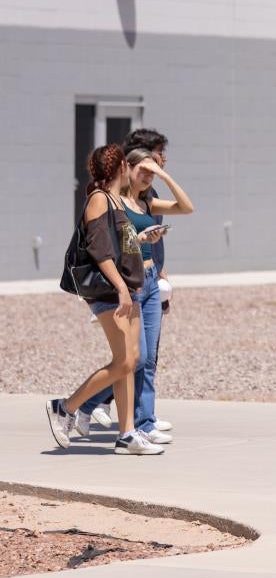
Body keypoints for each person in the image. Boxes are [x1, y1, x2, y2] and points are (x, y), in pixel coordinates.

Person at [67, 146, 196, 444]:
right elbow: (103, 249)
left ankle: (138, 424)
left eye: (154, 172)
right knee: (132, 359)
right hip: (128, 283)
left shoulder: (146, 204)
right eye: (145, 170)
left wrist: (163, 174)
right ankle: (81, 405)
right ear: (127, 167)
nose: (149, 176)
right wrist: (123, 286)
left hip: (147, 280)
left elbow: (187, 207)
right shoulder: (112, 202)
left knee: (143, 359)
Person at [46, 144, 163, 454]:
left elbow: (118, 243)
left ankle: (126, 434)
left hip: (127, 288)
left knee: (131, 361)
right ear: (121, 166)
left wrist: (141, 239)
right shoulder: (98, 200)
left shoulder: (115, 201)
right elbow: (100, 251)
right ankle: (66, 406)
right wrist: (122, 288)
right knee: (125, 361)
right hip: (110, 291)